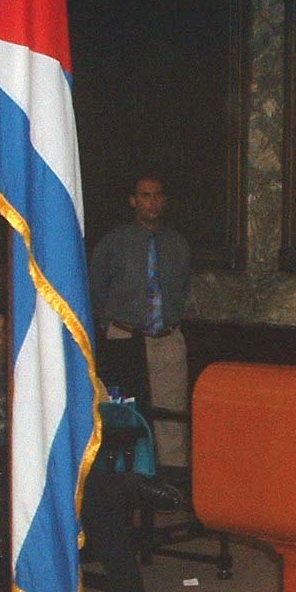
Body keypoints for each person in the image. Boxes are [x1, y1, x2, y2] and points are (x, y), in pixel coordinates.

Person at [0, 298, 177, 592]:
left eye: (2, 332)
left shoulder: (22, 372)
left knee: (101, 502)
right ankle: (131, 484)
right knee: (100, 489)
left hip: (37, 467)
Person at [89, 172, 192, 468]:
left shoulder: (177, 244)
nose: (152, 202)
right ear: (133, 201)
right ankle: (127, 482)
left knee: (170, 417)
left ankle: (171, 486)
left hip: (165, 340)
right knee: (125, 414)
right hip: (124, 336)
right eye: (145, 196)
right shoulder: (114, 242)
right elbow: (97, 288)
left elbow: (183, 288)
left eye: (157, 195)